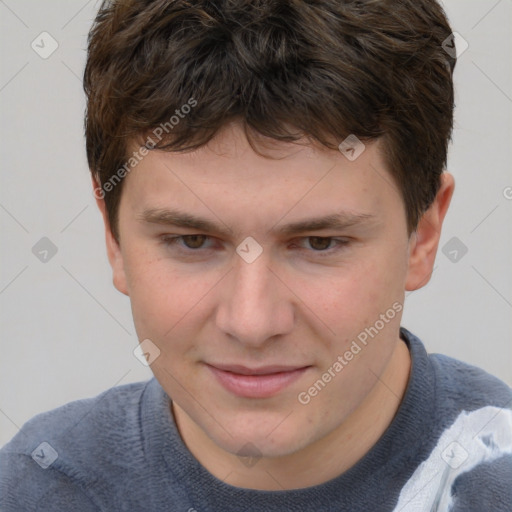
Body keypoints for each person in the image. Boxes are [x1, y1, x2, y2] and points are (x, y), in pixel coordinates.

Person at [1, 0, 511, 510]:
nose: (251, 323)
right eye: (193, 241)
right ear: (113, 237)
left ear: (422, 235)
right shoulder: (38, 488)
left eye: (319, 243)